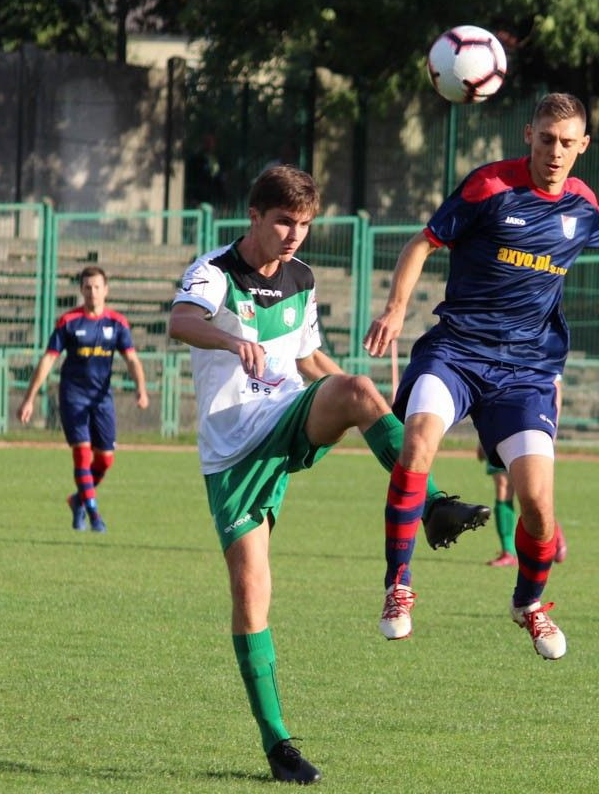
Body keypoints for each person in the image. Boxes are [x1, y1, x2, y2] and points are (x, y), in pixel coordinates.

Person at [168, 165, 488, 784]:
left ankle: (433, 504)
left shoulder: (302, 278)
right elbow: (180, 322)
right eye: (284, 221)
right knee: (252, 596)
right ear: (255, 216)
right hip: (234, 449)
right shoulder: (214, 272)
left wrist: (361, 401)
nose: (294, 235)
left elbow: (310, 358)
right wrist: (232, 342)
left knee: (361, 389)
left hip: (286, 415)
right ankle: (278, 746)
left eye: (305, 224)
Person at [363, 92, 599, 661]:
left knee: (539, 506)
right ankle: (397, 587)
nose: (555, 152)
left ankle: (529, 604)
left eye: (566, 143)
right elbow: (422, 243)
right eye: (546, 139)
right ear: (529, 135)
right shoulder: (489, 187)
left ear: (583, 147)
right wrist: (397, 309)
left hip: (526, 372)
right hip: (456, 352)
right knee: (418, 446)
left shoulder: (582, 205)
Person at [17, 266, 150, 533]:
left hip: (101, 399)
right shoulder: (68, 321)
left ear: (106, 290)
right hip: (72, 396)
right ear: (81, 290)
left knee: (106, 459)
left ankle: (77, 499)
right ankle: (94, 515)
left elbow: (132, 359)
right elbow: (48, 360)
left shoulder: (117, 323)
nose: (92, 292)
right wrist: (29, 398)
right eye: (87, 287)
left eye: (97, 287)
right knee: (82, 453)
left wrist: (141, 389)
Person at [480, 373, 566, 568]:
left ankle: (553, 533)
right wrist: (481, 435)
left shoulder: (536, 347)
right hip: (496, 427)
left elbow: (555, 386)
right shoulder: (492, 348)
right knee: (503, 486)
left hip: (528, 425)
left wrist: (551, 427)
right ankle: (508, 551)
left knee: (530, 492)